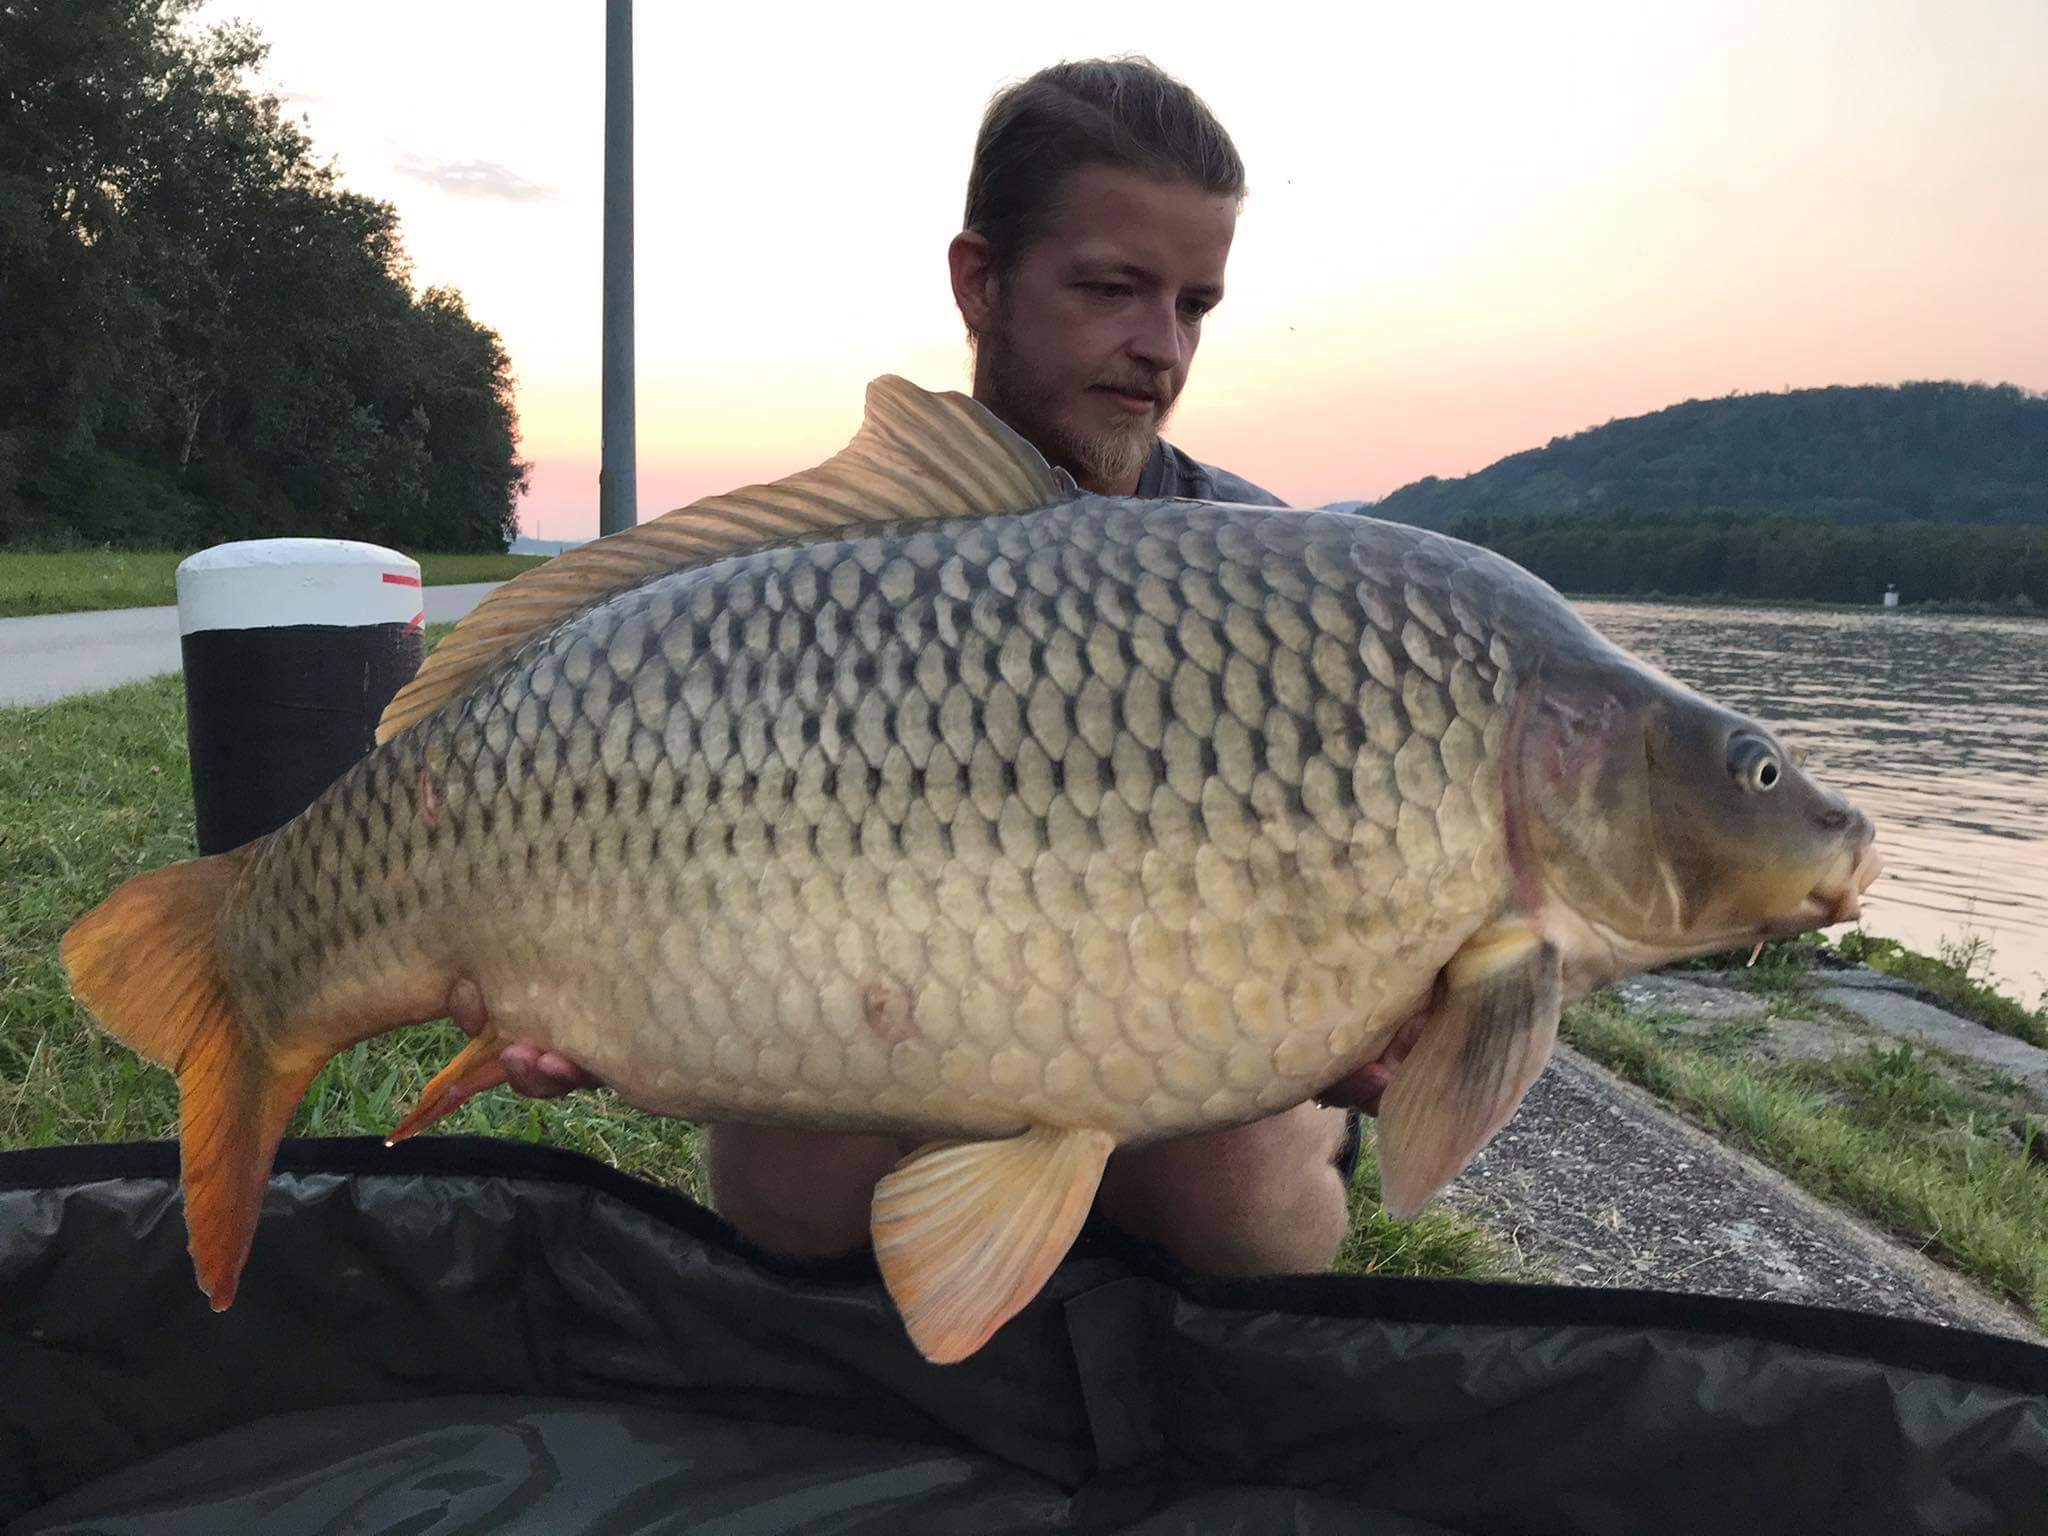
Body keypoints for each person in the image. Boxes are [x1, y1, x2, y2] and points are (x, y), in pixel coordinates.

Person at [483, 57, 1402, 1279]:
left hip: (1170, 1049)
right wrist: (603, 979)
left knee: (1249, 1222)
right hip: (894, 1015)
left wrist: (1357, 1010)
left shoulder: (1261, 585)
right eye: (1113, 290)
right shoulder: (827, 569)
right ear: (981, 283)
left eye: (1193, 306)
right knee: (786, 1206)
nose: (1158, 349)